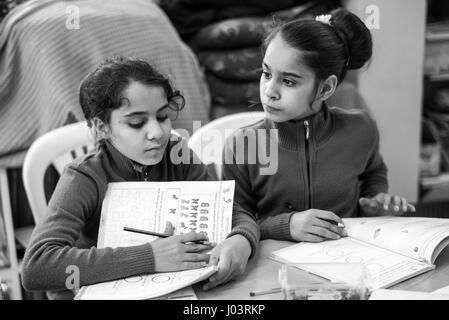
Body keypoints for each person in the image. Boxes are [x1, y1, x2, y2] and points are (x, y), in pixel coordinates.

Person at [21, 56, 259, 299]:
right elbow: (37, 267)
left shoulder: (178, 155)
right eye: (136, 123)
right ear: (101, 127)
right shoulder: (85, 176)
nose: (157, 132)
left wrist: (242, 239)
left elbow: (236, 213)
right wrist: (150, 257)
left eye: (163, 116)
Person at [222, 8, 415, 243]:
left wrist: (374, 202)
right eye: (266, 73)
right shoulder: (242, 145)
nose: (269, 91)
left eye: (288, 81)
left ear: (326, 88)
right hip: (274, 268)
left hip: (349, 261)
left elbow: (373, 171)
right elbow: (234, 222)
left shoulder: (361, 129)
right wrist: (287, 225)